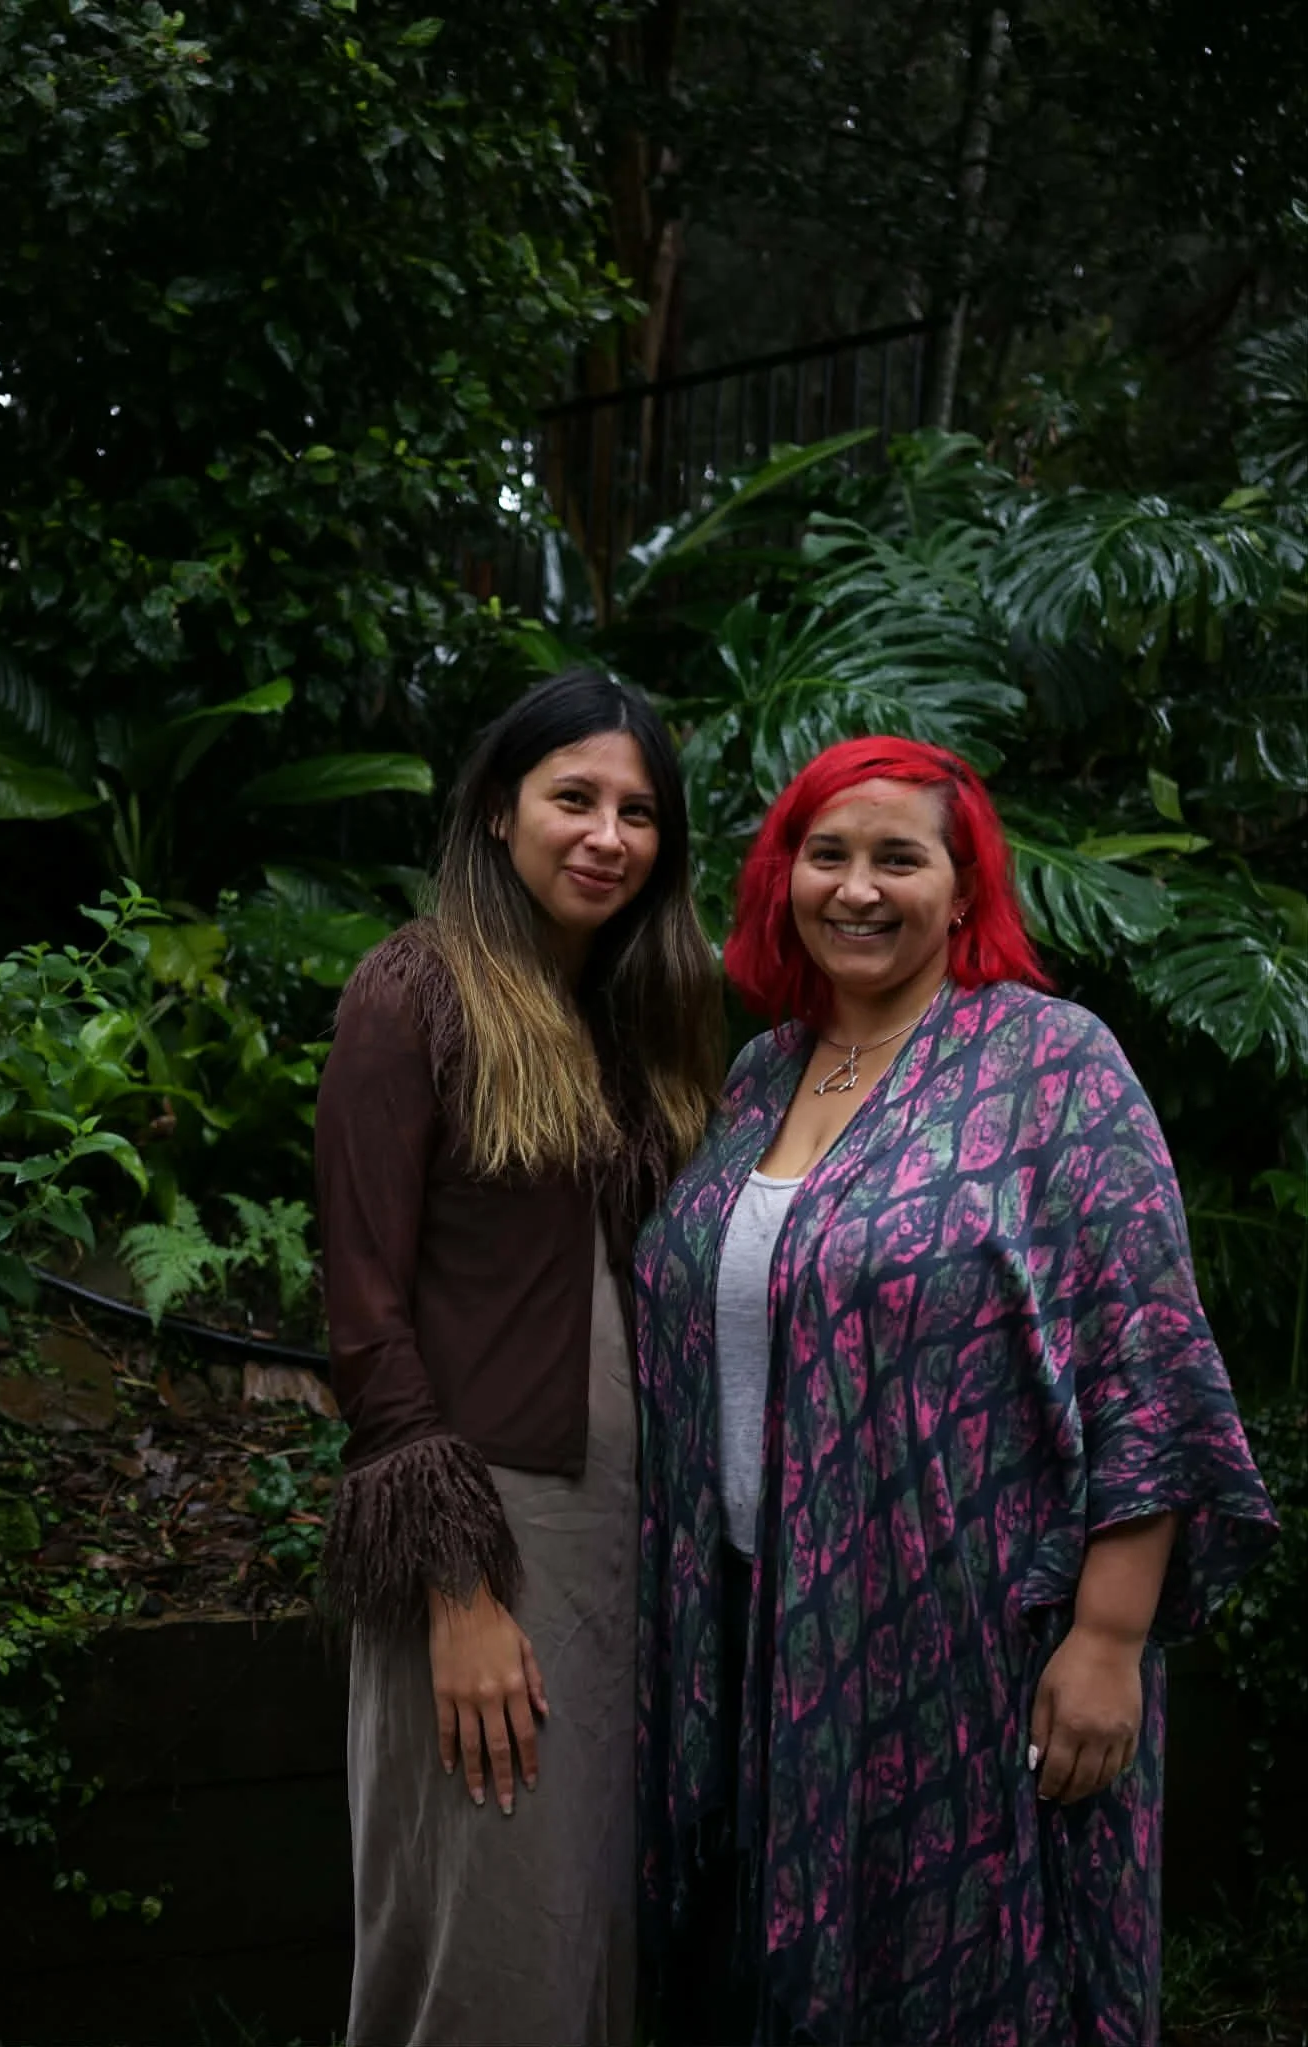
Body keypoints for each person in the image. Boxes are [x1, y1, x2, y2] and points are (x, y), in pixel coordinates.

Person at [634, 735, 1277, 2047]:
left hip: (975, 1644)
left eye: (897, 858)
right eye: (827, 854)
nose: (857, 888)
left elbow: (1142, 1362)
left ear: (962, 885)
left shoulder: (1052, 1066)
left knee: (973, 1980)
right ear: (782, 878)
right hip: (761, 1637)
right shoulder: (760, 1073)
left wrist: (1105, 1639)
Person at [315, 668, 724, 2047]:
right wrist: (459, 1589)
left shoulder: (633, 1022)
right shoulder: (415, 989)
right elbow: (364, 1316)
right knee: (482, 1926)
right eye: (574, 798)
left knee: (586, 1919)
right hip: (492, 1531)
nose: (608, 834)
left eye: (639, 811)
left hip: (628, 1538)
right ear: (500, 810)